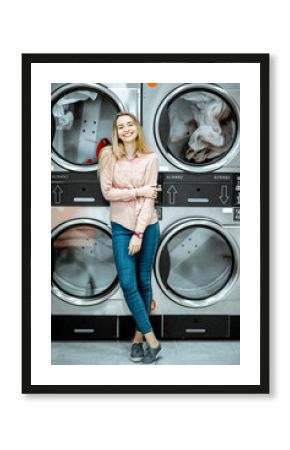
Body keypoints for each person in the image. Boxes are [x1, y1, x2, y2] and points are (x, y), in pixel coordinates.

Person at [99, 112, 162, 364]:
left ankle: (137, 340)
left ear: (137, 128)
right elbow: (107, 192)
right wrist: (138, 191)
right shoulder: (108, 157)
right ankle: (153, 341)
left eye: (130, 125)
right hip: (121, 227)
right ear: (116, 132)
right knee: (127, 282)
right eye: (120, 126)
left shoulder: (151, 158)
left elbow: (149, 199)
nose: (126, 130)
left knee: (143, 282)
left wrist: (139, 232)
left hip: (147, 226)